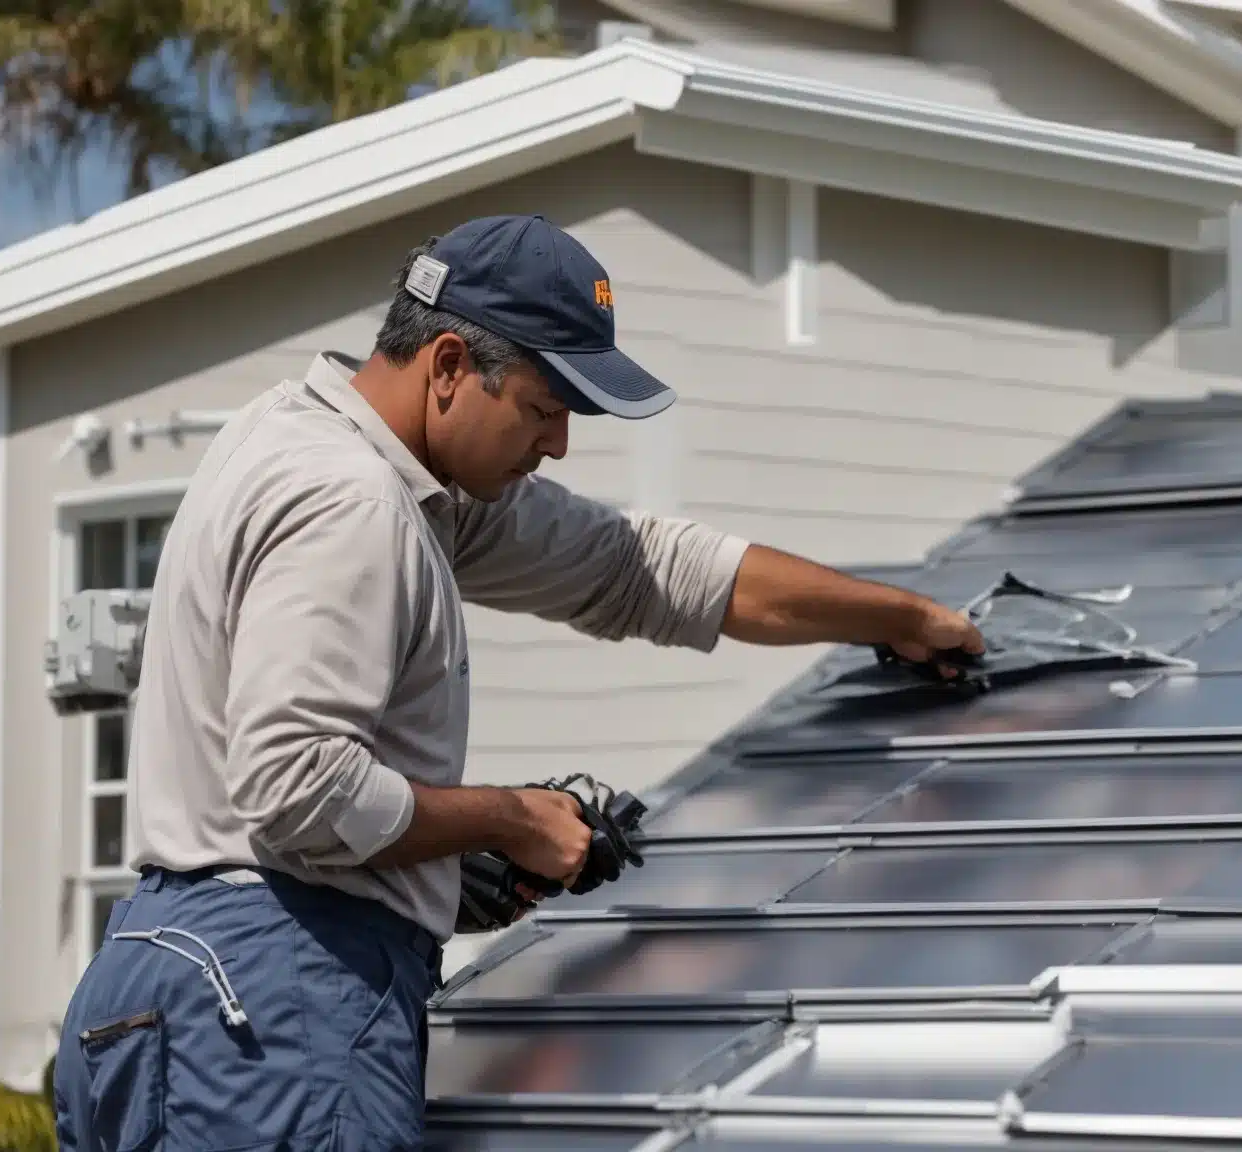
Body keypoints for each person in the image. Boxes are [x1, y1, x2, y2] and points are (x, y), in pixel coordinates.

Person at [50, 213, 985, 1150]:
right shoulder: (354, 503)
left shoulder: (331, 456)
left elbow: (635, 568)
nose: (559, 445)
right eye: (544, 409)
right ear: (449, 365)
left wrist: (898, 618)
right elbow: (294, 784)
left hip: (170, 983)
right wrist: (511, 817)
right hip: (278, 1003)